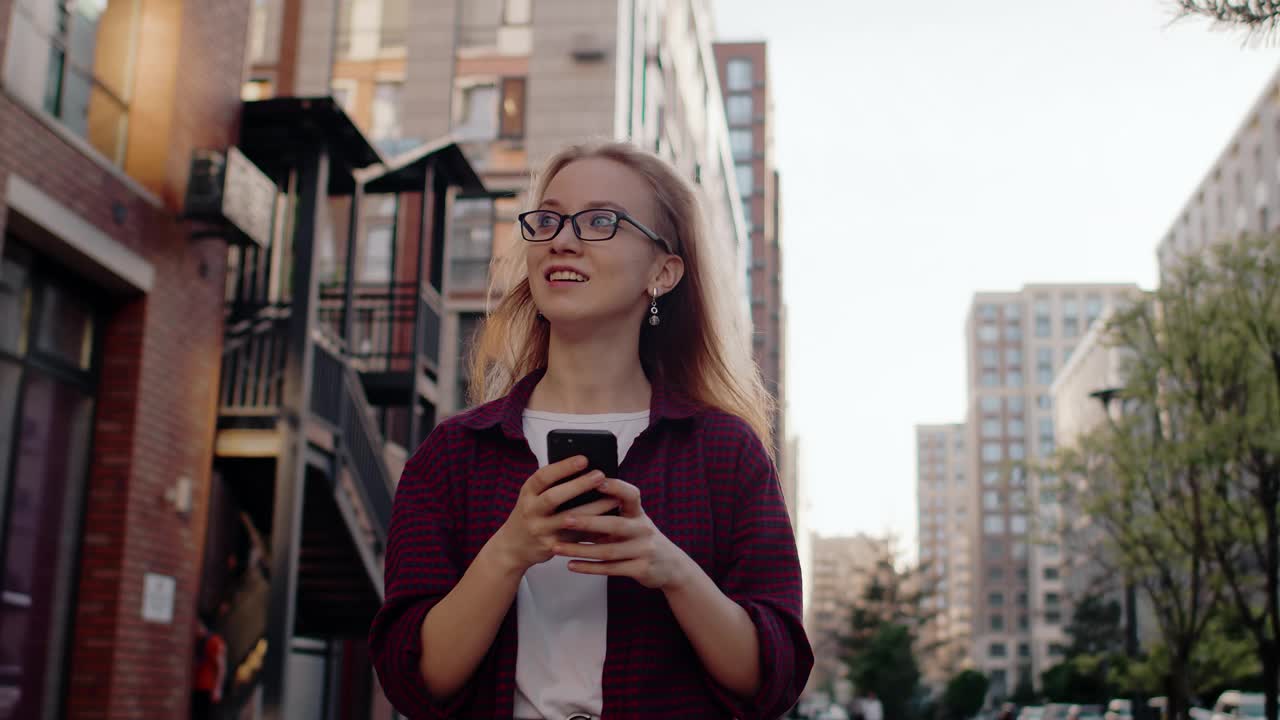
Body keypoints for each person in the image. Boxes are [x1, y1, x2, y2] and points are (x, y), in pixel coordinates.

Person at [369, 141, 812, 719]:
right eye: (548, 218)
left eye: (601, 220)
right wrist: (509, 552)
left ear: (663, 271)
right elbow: (412, 681)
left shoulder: (725, 453)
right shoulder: (453, 455)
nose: (562, 238)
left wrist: (671, 569)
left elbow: (773, 680)